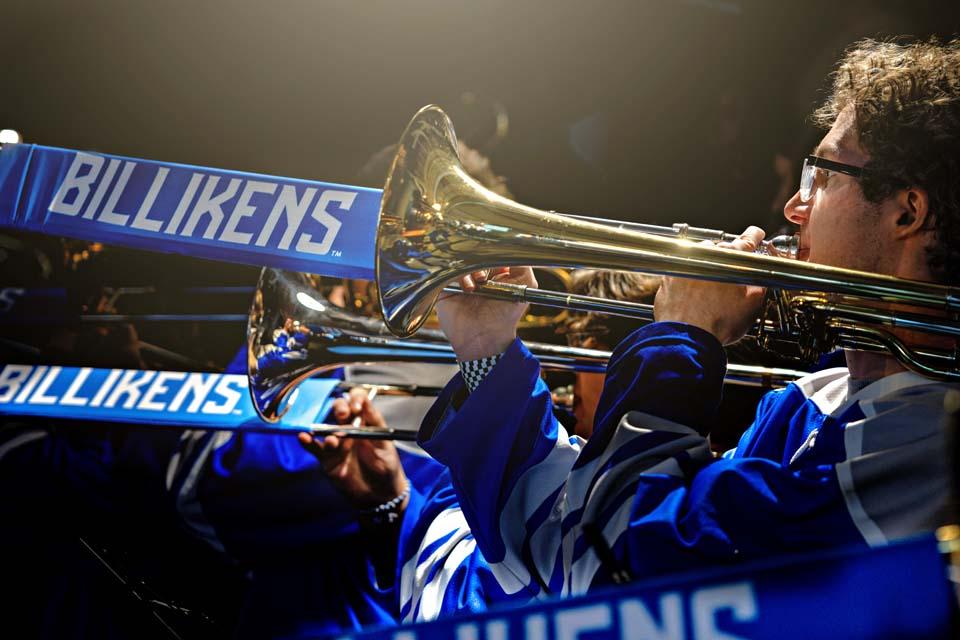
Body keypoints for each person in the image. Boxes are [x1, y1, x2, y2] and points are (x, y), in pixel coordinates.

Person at [416, 37, 960, 599]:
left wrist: (681, 340)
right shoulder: (819, 397)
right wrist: (488, 350)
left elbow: (612, 579)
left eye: (820, 178)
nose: (793, 208)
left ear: (907, 212)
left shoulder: (919, 444)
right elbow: (561, 549)